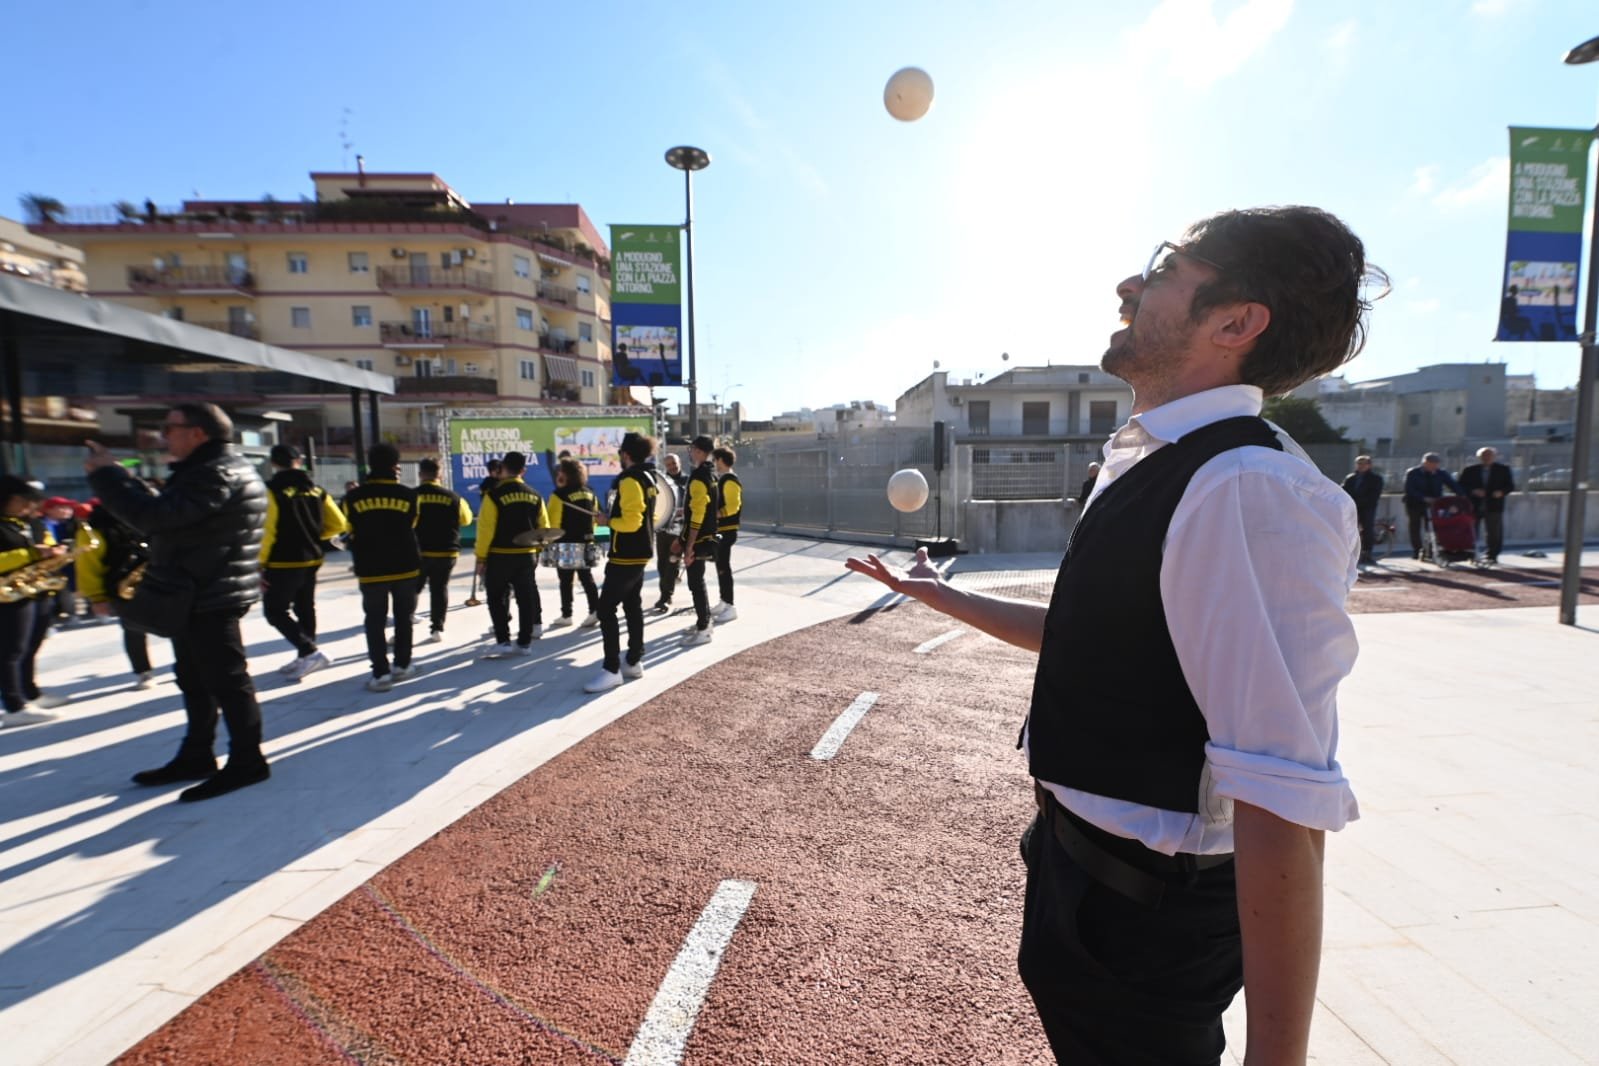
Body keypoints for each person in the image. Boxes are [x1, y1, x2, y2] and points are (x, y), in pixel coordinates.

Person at [848, 206, 1376, 1064]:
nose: (1129, 285)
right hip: (1083, 870)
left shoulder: (1246, 487)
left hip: (1144, 914)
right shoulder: (1159, 458)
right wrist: (940, 596)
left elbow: (1283, 796)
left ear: (1235, 323)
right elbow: (1101, 640)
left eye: (1164, 268)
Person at [85, 403, 271, 801]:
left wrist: (108, 477)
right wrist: (124, 480)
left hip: (209, 593)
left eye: (170, 428)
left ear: (198, 433)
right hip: (198, 591)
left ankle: (247, 761)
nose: (163, 436)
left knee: (226, 681)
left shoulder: (215, 472)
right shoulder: (211, 470)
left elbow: (155, 518)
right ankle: (197, 754)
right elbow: (169, 513)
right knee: (194, 678)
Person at [260, 444, 346, 679]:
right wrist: (315, 535)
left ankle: (309, 652)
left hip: (282, 560)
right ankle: (306, 655)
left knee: (275, 611)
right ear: (299, 461)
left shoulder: (271, 490)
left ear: (274, 463)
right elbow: (339, 523)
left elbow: (268, 530)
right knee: (305, 607)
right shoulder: (316, 490)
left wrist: (260, 562)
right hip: (312, 557)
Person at [342, 443, 421, 691]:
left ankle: (380, 674)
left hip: (370, 566)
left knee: (374, 620)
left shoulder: (352, 497)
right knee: (404, 618)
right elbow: (413, 523)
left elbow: (348, 528)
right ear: (395, 466)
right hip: (405, 564)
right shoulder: (409, 495)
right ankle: (402, 665)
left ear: (370, 464)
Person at [583, 432, 658, 693]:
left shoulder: (629, 480)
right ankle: (633, 661)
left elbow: (632, 522)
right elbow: (650, 516)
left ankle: (611, 669)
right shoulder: (649, 477)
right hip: (640, 552)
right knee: (632, 605)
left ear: (625, 454)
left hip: (626, 554)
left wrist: (607, 521)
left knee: (605, 610)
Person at [0, 477, 61, 727]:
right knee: (11, 649)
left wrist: (53, 551)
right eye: (22, 501)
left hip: (34, 590)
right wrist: (31, 554)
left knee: (30, 645)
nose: (29, 506)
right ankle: (14, 705)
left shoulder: (28, 523)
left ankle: (30, 692)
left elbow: (45, 541)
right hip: (8, 594)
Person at [75, 498, 154, 688]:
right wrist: (97, 597)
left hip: (155, 579)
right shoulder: (93, 529)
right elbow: (88, 567)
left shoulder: (142, 516)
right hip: (122, 586)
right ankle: (143, 671)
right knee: (133, 629)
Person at [475, 450, 546, 658]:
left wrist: (481, 557)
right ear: (523, 470)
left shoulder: (493, 495)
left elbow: (486, 529)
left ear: (503, 468)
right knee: (525, 598)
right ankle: (524, 643)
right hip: (526, 555)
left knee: (496, 597)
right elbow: (544, 528)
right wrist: (537, 551)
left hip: (499, 555)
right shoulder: (535, 495)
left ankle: (503, 641)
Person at [414, 457, 472, 643]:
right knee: (439, 589)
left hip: (418, 552)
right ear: (440, 474)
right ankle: (437, 628)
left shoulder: (411, 496)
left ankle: (403, 626)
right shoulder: (454, 497)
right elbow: (466, 519)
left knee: (412, 589)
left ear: (420, 474)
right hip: (446, 551)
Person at [674, 436, 720, 646]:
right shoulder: (711, 474)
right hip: (705, 535)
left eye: (692, 448)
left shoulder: (699, 477)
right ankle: (705, 621)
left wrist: (689, 544)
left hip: (699, 538)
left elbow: (699, 512)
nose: (690, 452)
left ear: (700, 451)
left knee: (696, 583)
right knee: (697, 581)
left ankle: (703, 629)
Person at [546, 457, 601, 628]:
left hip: (566, 542)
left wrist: (548, 543)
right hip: (587, 540)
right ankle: (595, 610)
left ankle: (567, 614)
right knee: (587, 577)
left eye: (561, 471)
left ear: (565, 474)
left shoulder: (558, 495)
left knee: (565, 580)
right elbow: (595, 520)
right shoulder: (590, 493)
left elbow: (553, 524)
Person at [1458, 446, 1515, 564]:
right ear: (1479, 457)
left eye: (1490, 455)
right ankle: (1471, 553)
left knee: (1494, 532)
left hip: (1494, 505)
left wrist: (1501, 492)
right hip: (1473, 505)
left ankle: (1492, 555)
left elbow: (1510, 486)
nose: (1487, 458)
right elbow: (1460, 486)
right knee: (1471, 531)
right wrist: (1473, 491)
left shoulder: (1503, 469)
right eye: (1484, 456)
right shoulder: (1470, 470)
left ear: (1494, 457)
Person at [1402, 452, 1463, 560]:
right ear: (1425, 463)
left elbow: (1453, 485)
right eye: (1432, 464)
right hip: (1415, 504)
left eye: (1436, 464)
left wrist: (1461, 496)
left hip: (1434, 504)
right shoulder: (1413, 473)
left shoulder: (1441, 473)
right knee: (1415, 527)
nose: (1434, 467)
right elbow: (1409, 490)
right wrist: (1423, 498)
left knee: (1433, 527)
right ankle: (1417, 550)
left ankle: (1430, 551)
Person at [651, 452, 688, 614]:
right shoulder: (662, 483)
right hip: (663, 529)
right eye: (668, 464)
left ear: (679, 463)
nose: (672, 467)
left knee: (672, 561)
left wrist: (683, 511)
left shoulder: (688, 481)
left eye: (674, 463)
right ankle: (666, 592)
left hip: (679, 529)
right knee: (662, 564)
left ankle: (665, 596)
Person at [712, 446, 742, 623]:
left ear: (721, 460)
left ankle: (730, 606)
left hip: (727, 530)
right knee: (721, 567)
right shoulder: (723, 479)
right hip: (722, 530)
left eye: (715, 460)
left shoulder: (730, 480)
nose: (714, 463)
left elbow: (733, 506)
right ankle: (724, 601)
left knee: (724, 567)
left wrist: (714, 515)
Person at [1341, 455, 1384, 566]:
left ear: (1369, 465)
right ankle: (1352, 553)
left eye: (1364, 464)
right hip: (1352, 508)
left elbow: (1374, 495)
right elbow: (1343, 491)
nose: (1361, 466)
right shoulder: (1350, 478)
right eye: (1359, 464)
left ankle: (1367, 554)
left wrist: (1359, 502)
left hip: (1367, 508)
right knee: (1350, 530)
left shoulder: (1376, 479)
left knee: (1367, 530)